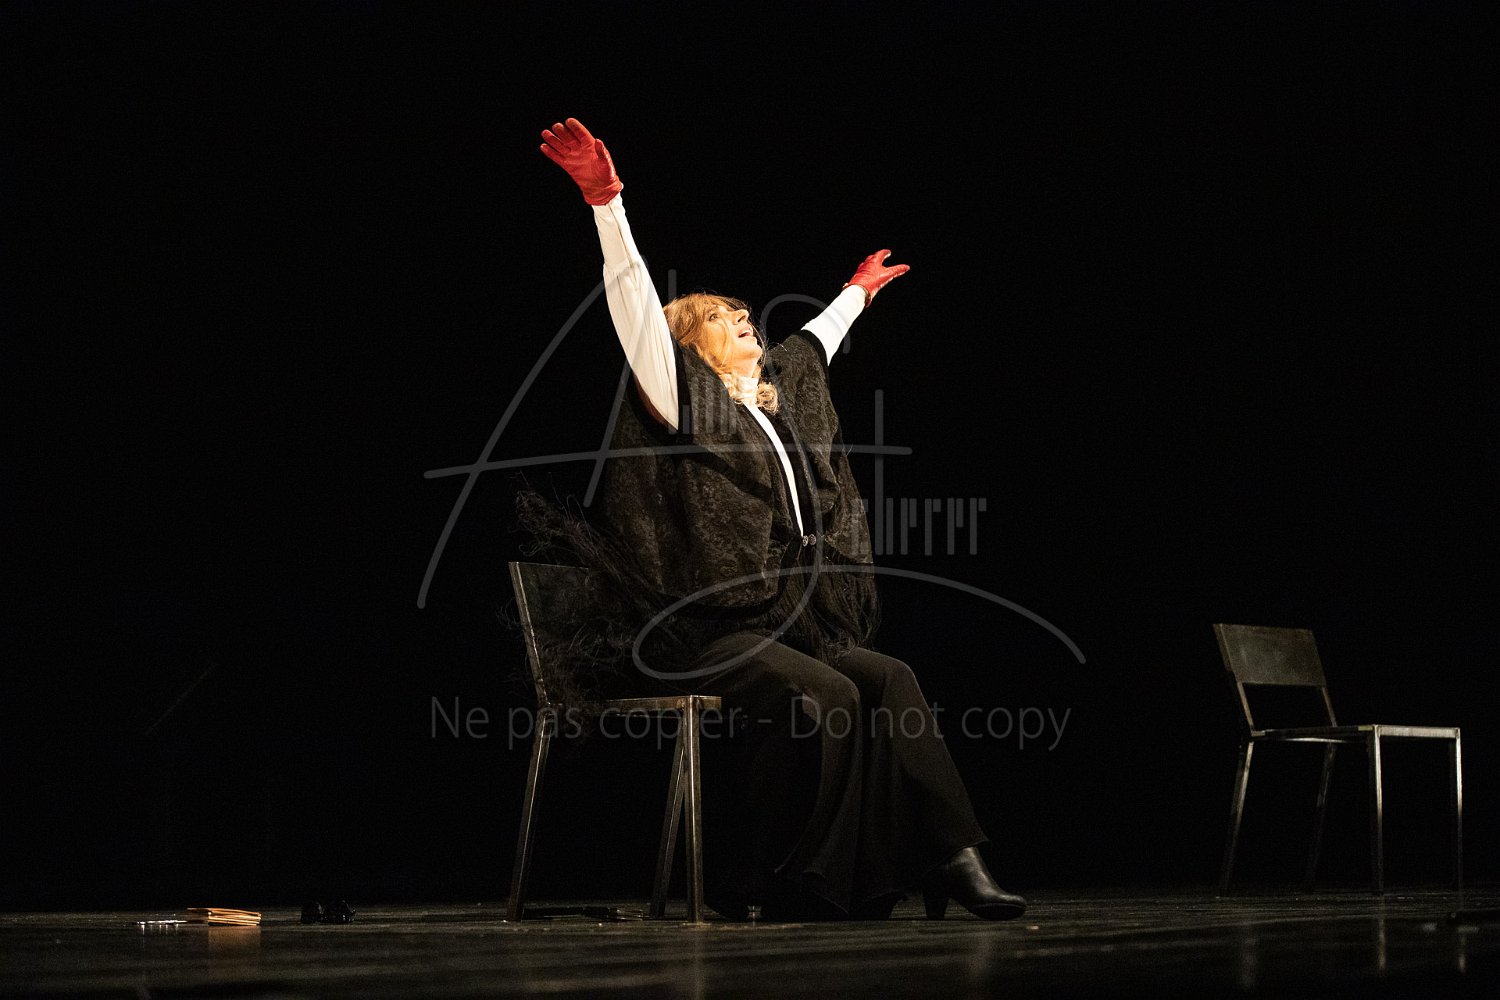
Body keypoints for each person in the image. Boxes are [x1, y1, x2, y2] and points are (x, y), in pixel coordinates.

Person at [526, 116, 1027, 922]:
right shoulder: (680, 399)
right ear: (689, 347)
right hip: (701, 629)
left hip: (785, 622)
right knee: (824, 693)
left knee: (890, 678)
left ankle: (952, 857)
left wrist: (857, 293)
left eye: (742, 313)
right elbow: (637, 311)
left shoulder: (774, 402)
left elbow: (812, 345)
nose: (742, 319)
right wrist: (605, 203)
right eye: (720, 317)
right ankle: (779, 878)